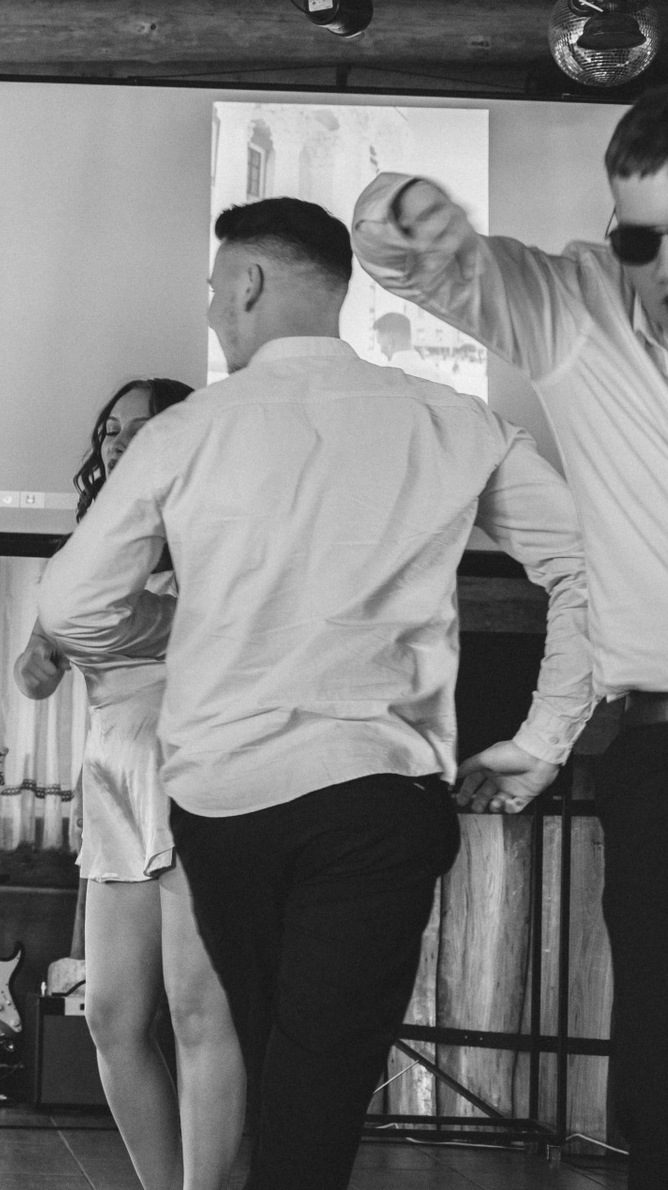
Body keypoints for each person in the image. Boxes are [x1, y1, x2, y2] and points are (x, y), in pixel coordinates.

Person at [37, 198, 596, 1190]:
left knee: (262, 1061)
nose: (213, 309)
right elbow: (590, 564)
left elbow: (72, 603)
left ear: (249, 283)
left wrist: (168, 641)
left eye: (216, 287)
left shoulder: (187, 432)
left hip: (225, 807)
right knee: (317, 1085)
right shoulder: (452, 418)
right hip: (380, 800)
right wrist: (543, 739)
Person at [356, 106, 668, 1184]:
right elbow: (422, 269)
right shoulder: (581, 308)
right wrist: (406, 218)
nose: (662, 266)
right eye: (643, 237)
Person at [16, 379, 246, 1190]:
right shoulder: (86, 551)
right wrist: (37, 662)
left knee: (197, 1011)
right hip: (113, 774)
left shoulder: (216, 532)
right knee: (111, 1016)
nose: (117, 441)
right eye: (110, 428)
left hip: (193, 768)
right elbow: (37, 668)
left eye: (139, 428)